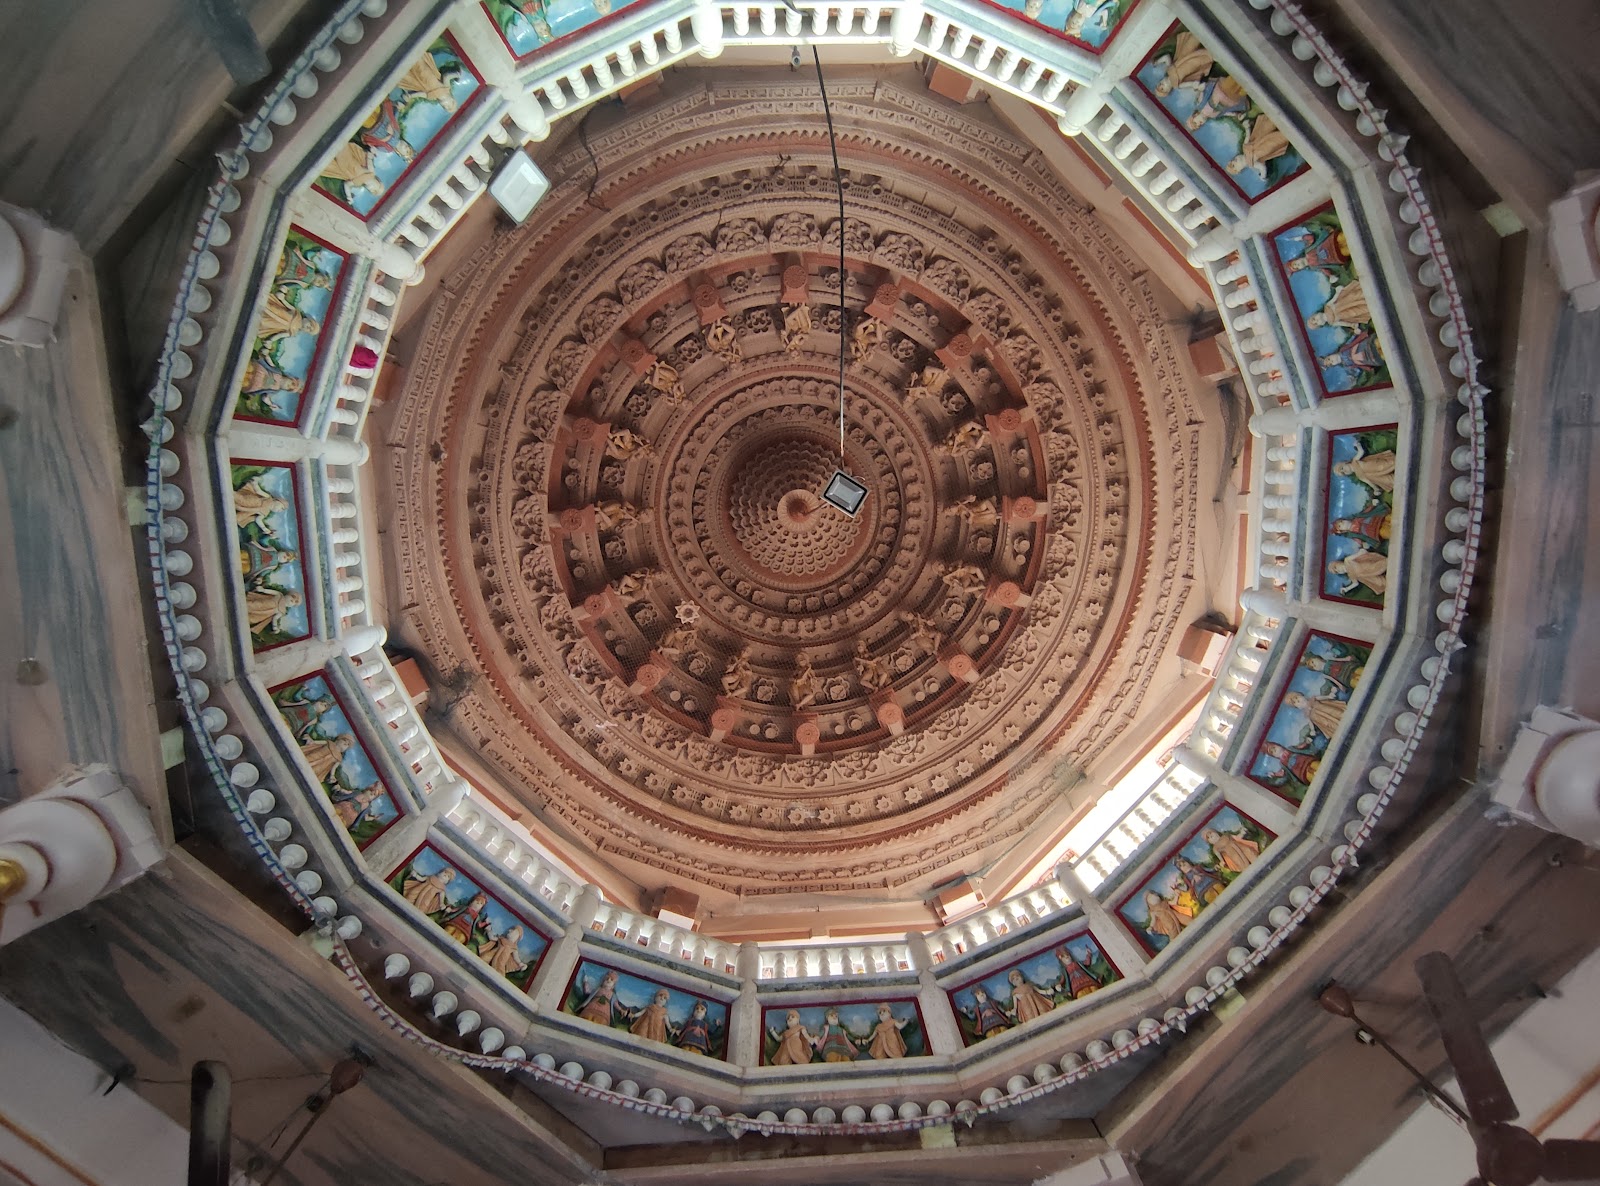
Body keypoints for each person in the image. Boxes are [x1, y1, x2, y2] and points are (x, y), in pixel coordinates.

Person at [1150, 30, 1214, 98]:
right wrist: (1197, 86)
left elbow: (1166, 57)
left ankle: (1202, 30)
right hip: (1192, 65)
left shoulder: (1169, 70)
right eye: (1162, 88)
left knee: (1193, 39)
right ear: (1168, 90)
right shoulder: (1177, 85)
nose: (1161, 85)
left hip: (1184, 54)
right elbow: (1190, 84)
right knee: (1205, 57)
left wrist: (1156, 62)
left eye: (1159, 84)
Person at [1228, 115, 1294, 179]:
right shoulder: (1252, 163)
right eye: (1234, 165)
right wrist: (1263, 176)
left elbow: (1247, 136)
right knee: (1276, 141)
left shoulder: (1245, 148)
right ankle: (1287, 132)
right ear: (1239, 170)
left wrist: (1247, 127)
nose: (1235, 161)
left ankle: (1278, 118)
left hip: (1260, 137)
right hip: (1266, 147)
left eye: (1233, 159)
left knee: (1268, 125)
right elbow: (1262, 167)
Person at [1307, 279, 1372, 332]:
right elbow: (1343, 323)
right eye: (1316, 323)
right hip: (1347, 313)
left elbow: (1334, 299)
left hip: (1345, 302)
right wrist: (1351, 324)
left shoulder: (1327, 307)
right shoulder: (1332, 322)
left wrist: (1338, 292)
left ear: (1316, 313)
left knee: (1354, 296)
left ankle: (1367, 293)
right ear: (1321, 325)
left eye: (1314, 318)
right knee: (1357, 311)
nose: (1317, 320)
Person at [1332, 442, 1396, 494]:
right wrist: (1376, 489)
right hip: (1377, 474)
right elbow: (1369, 482)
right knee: (1386, 479)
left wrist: (1358, 445)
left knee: (1390, 463)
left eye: (1342, 468)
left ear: (1345, 463)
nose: (1345, 471)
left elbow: (1361, 452)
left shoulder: (1354, 461)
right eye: (1344, 473)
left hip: (1375, 465)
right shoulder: (1359, 476)